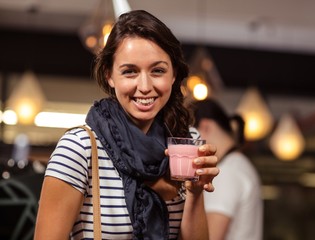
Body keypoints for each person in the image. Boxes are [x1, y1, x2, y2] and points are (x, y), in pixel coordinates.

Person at [34, 10, 219, 240]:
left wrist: (195, 191)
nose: (144, 86)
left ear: (174, 76)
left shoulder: (184, 142)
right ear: (109, 75)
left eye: (158, 71)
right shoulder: (79, 149)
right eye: (130, 72)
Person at [192, 98, 263, 240]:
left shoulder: (226, 172)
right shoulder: (239, 165)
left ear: (205, 127)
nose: (190, 145)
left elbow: (210, 237)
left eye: (190, 134)